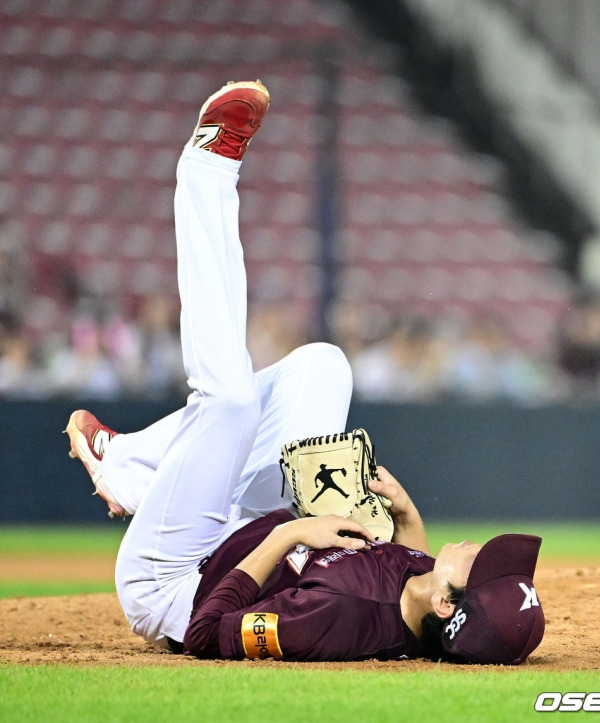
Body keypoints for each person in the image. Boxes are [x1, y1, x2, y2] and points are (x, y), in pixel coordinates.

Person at [65, 80, 545, 665]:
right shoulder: (422, 596)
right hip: (238, 532)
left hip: (175, 581)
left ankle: (207, 171)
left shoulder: (338, 620)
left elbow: (205, 634)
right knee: (324, 365)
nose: (480, 548)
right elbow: (412, 575)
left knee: (230, 402)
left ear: (449, 605)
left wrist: (290, 534)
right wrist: (406, 516)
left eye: (482, 565)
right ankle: (133, 467)